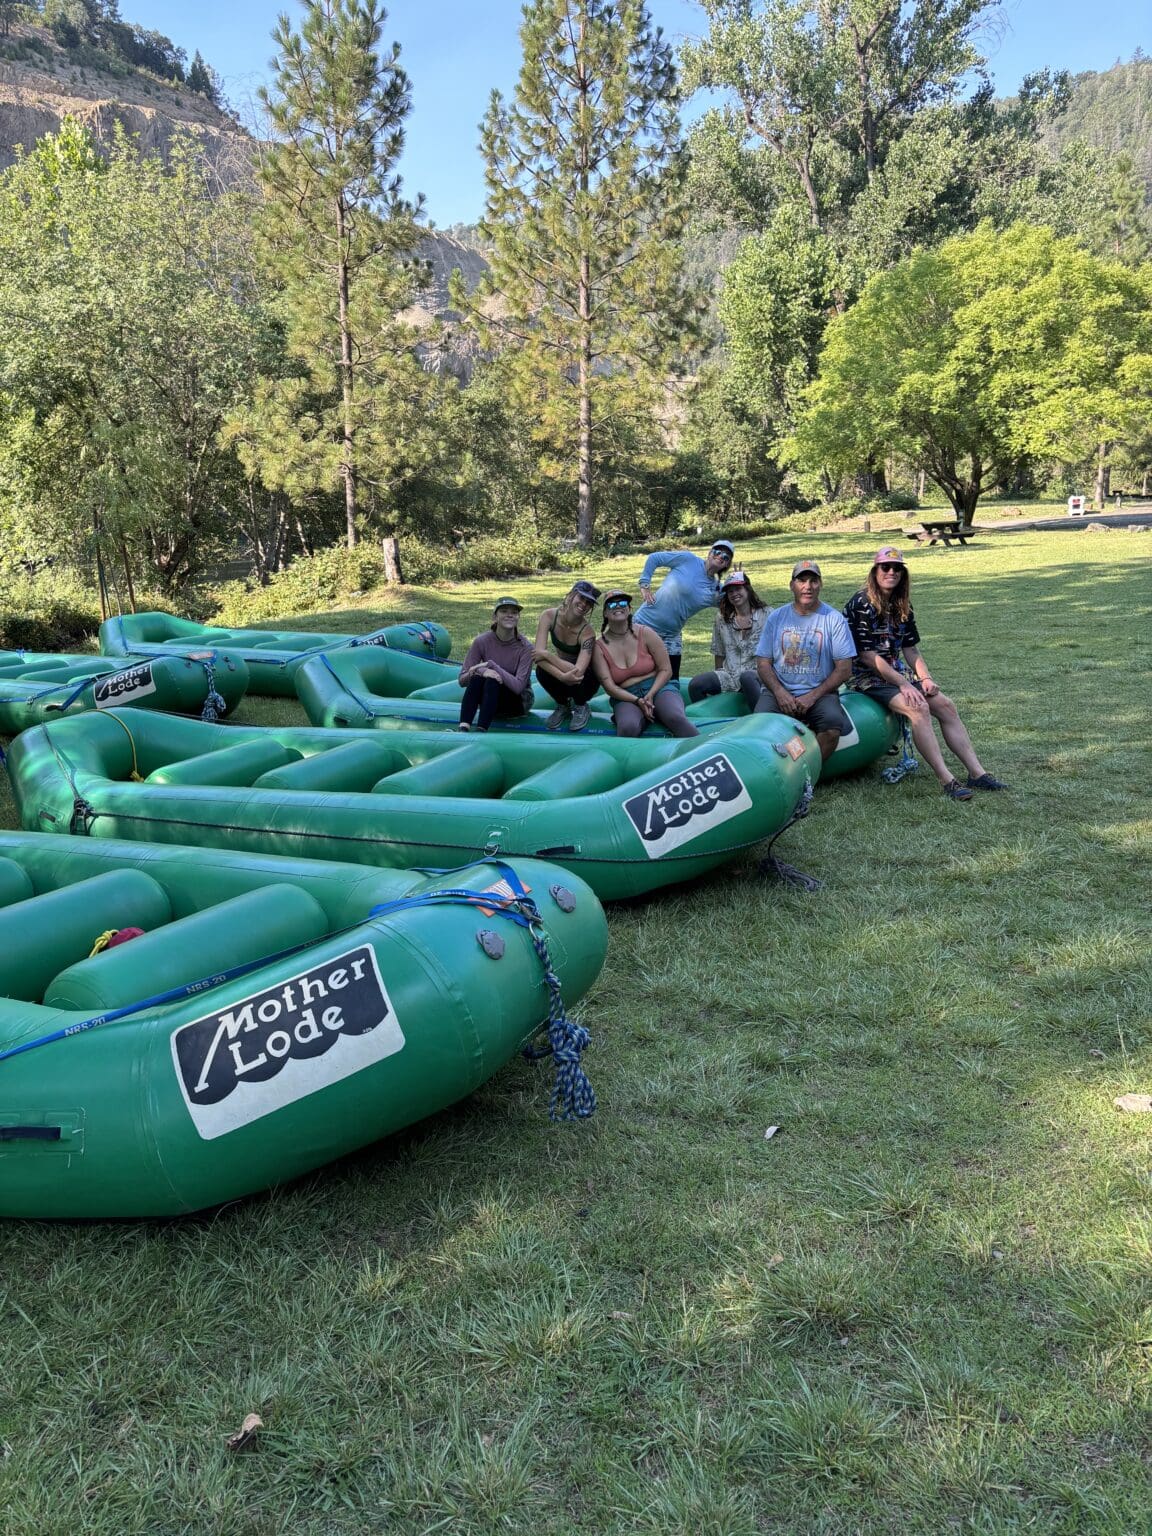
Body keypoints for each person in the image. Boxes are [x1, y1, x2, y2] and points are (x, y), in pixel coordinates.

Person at [843, 547, 1009, 801]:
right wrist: (905, 686)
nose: (891, 572)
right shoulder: (861, 603)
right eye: (885, 567)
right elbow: (867, 656)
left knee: (946, 706)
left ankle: (977, 773)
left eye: (897, 568)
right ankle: (947, 779)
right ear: (875, 571)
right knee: (918, 707)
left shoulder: (902, 604)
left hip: (895, 672)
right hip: (865, 677)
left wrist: (925, 679)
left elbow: (910, 648)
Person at [753, 559, 857, 761]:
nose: (807, 587)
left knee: (833, 727)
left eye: (813, 581)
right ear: (792, 585)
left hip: (820, 693)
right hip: (779, 691)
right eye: (801, 580)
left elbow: (844, 669)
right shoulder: (776, 618)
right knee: (758, 729)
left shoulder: (834, 619)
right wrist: (780, 692)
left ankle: (807, 773)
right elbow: (763, 662)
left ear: (821, 584)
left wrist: (812, 696)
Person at [592, 591, 699, 738]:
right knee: (628, 727)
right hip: (626, 697)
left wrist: (650, 694)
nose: (618, 606)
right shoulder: (599, 647)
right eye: (612, 604)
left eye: (622, 603)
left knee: (675, 717)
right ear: (605, 613)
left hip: (659, 688)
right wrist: (637, 700)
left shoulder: (646, 633)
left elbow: (666, 669)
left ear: (629, 609)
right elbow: (609, 687)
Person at [633, 539, 735, 679]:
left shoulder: (716, 589)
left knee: (671, 679)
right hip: (643, 624)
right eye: (718, 551)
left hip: (671, 636)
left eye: (726, 557)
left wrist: (737, 581)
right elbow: (654, 558)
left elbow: (736, 602)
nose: (720, 556)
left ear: (727, 564)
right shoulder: (688, 559)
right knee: (637, 672)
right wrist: (644, 584)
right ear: (710, 553)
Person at [687, 571, 769, 710]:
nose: (734, 594)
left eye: (738, 589)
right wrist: (718, 673)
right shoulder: (722, 618)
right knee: (696, 684)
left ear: (747, 589)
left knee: (747, 678)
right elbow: (719, 651)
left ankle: (761, 719)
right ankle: (709, 719)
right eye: (730, 591)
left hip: (756, 674)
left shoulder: (767, 614)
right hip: (729, 674)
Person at [532, 579, 601, 731]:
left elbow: (578, 672)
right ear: (571, 596)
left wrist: (549, 656)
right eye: (581, 598)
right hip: (563, 674)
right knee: (541, 671)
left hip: (584, 680)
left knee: (585, 675)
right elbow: (537, 656)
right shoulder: (549, 616)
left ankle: (581, 706)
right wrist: (561, 676)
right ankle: (562, 705)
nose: (584, 604)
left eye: (589, 602)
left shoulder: (587, 633)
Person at [457, 597, 535, 732]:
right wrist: (482, 671)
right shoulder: (481, 641)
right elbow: (462, 680)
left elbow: (518, 687)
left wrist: (492, 666)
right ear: (495, 617)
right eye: (504, 611)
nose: (510, 615)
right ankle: (464, 726)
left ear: (518, 617)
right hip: (489, 699)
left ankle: (481, 730)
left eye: (514, 612)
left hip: (517, 702)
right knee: (477, 678)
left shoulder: (525, 647)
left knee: (492, 679)